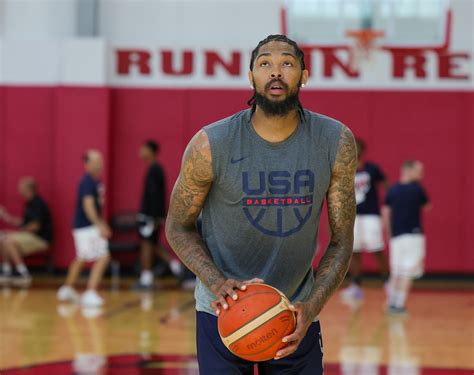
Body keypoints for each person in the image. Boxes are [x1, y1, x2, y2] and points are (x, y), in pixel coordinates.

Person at [165, 34, 357, 374]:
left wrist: (312, 305)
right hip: (221, 314)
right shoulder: (211, 144)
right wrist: (216, 282)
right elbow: (177, 226)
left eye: (287, 63)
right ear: (250, 76)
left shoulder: (335, 141)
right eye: (265, 64)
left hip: (296, 314)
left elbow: (342, 241)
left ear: (304, 75)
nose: (276, 72)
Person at [57, 150, 111, 307]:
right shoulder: (87, 182)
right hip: (87, 226)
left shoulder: (96, 181)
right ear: (86, 164)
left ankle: (67, 289)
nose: (100, 164)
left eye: (100, 161)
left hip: (85, 226)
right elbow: (88, 206)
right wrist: (100, 225)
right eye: (95, 162)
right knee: (103, 256)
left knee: (82, 257)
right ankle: (90, 292)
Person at [341, 138, 389, 302]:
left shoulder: (372, 169)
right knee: (354, 251)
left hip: (371, 215)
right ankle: (355, 285)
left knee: (377, 248)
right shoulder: (345, 170)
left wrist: (386, 205)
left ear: (362, 150)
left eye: (357, 147)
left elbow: (386, 184)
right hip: (353, 216)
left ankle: (387, 281)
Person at [382, 160, 430, 315]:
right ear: (408, 170)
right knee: (408, 272)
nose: (421, 174)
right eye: (418, 170)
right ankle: (399, 304)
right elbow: (427, 206)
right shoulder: (418, 190)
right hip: (413, 235)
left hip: (396, 236)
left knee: (397, 271)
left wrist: (389, 233)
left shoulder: (392, 190)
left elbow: (385, 213)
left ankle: (391, 302)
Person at [135, 139, 181, 289]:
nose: (140, 152)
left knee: (147, 244)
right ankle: (176, 267)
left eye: (143, 149)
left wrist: (155, 217)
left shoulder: (155, 170)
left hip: (149, 217)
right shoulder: (154, 169)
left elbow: (156, 196)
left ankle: (146, 277)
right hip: (152, 216)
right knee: (153, 244)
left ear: (151, 151)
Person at [0, 177, 52, 286]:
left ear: (28, 189)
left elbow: (34, 227)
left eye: (20, 188)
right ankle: (6, 271)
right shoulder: (29, 203)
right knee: (3, 238)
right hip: (30, 236)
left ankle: (23, 273)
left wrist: (15, 233)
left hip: (40, 239)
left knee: (8, 241)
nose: (18, 190)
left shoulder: (37, 203)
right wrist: (6, 216)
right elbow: (23, 223)